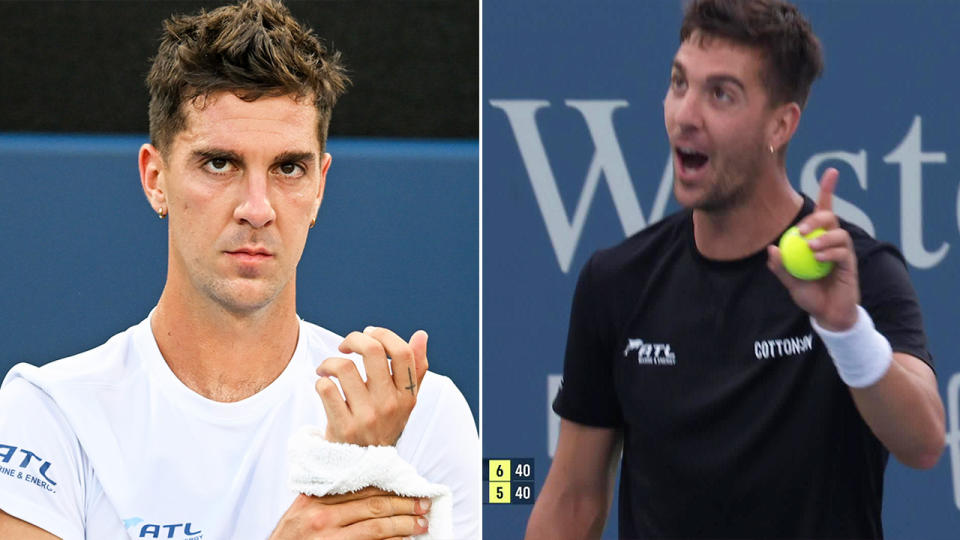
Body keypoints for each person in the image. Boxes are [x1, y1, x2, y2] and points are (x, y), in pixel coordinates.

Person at [0, 1, 479, 539]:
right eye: (220, 163)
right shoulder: (51, 412)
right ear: (156, 178)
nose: (257, 207)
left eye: (288, 168)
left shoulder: (419, 415)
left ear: (319, 186)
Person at [525, 0, 945, 538]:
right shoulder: (615, 282)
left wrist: (845, 330)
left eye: (720, 94)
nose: (685, 114)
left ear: (781, 124)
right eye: (679, 83)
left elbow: (925, 441)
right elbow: (573, 501)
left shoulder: (861, 274)